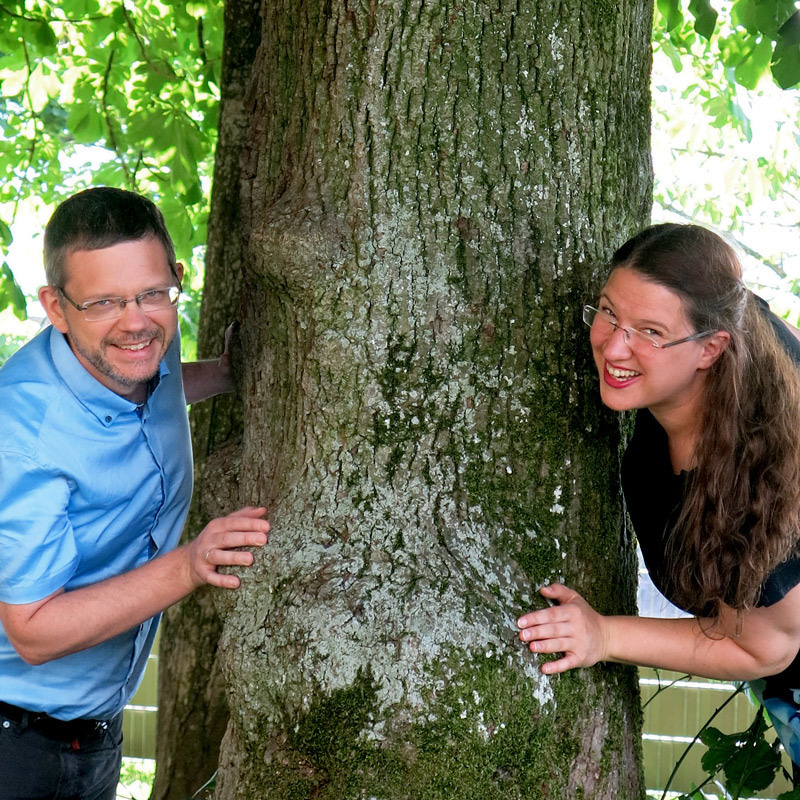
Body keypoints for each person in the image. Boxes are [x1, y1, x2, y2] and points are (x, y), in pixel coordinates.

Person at [0, 187, 270, 799]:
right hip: (16, 747)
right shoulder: (21, 438)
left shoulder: (142, 348)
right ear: (56, 307)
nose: (136, 320)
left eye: (153, 292)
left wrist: (222, 374)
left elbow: (155, 385)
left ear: (175, 279)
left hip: (98, 731)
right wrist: (189, 564)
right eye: (104, 302)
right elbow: (33, 631)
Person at [517, 223, 800, 776]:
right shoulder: (737, 317)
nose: (613, 346)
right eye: (608, 312)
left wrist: (604, 635)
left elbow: (765, 648)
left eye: (650, 332)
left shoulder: (751, 477)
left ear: (710, 348)